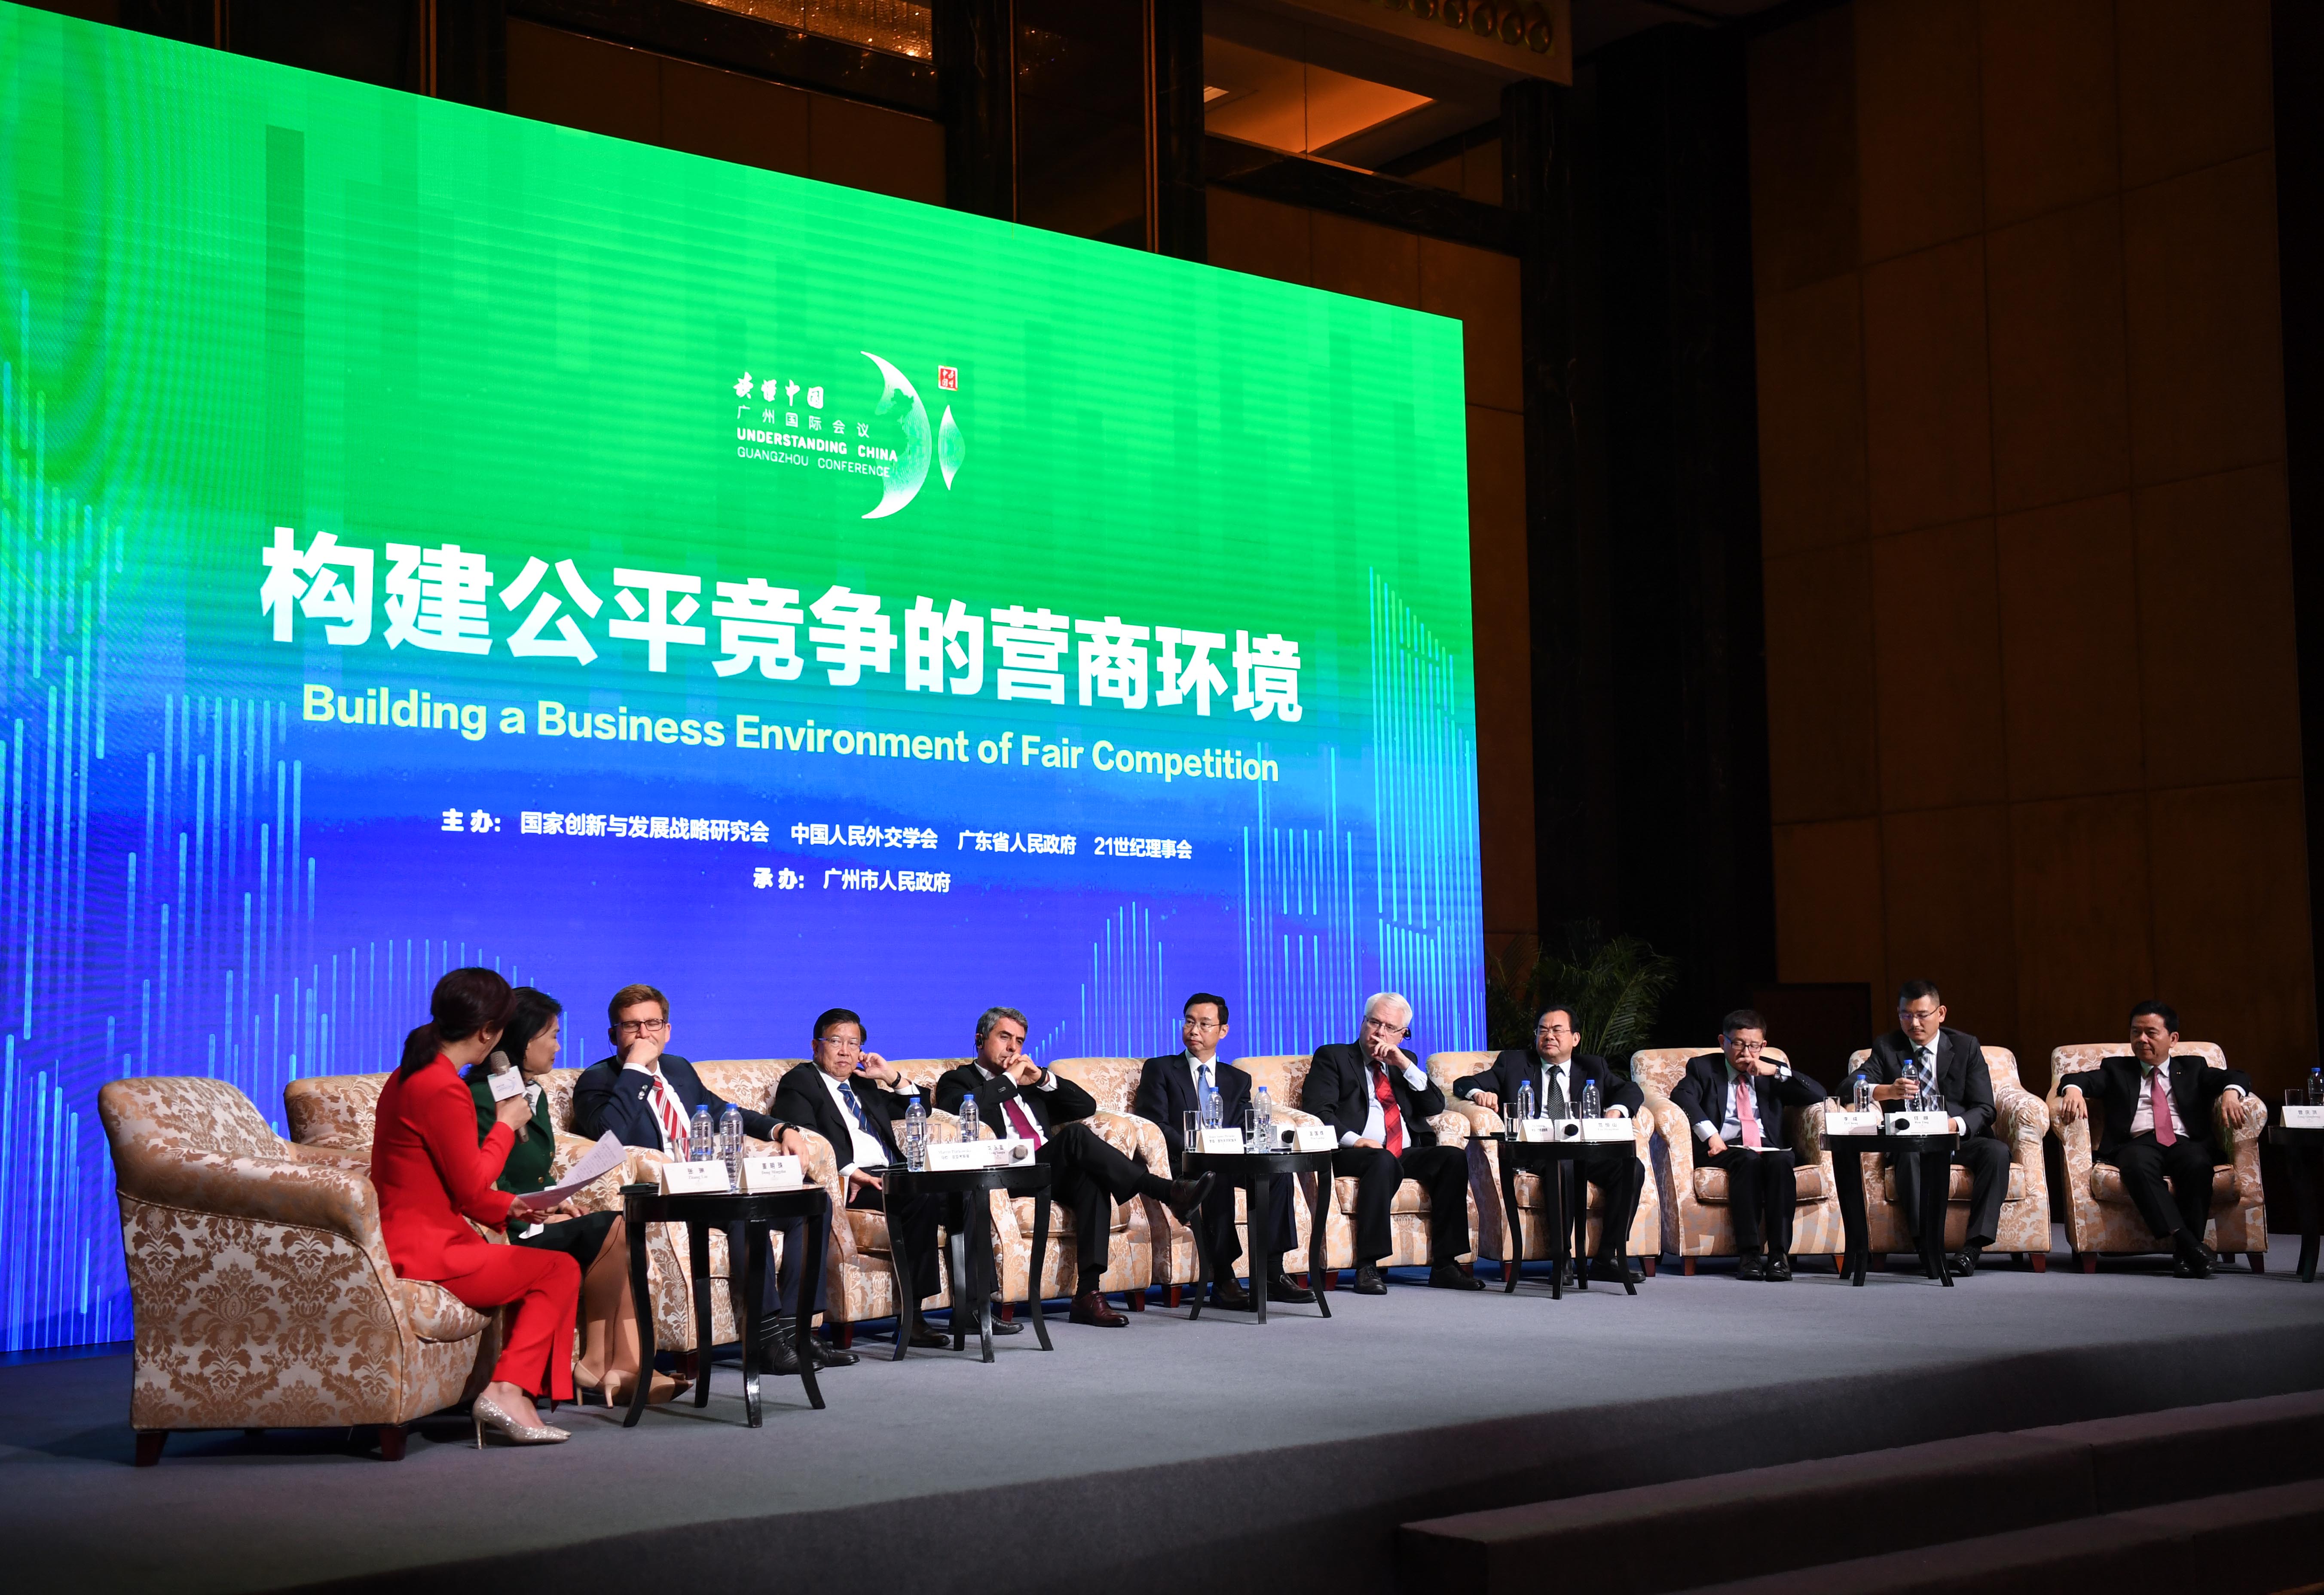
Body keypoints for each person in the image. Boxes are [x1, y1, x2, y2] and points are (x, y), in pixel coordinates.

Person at [572, 983, 851, 1373]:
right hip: (664, 1196)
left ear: (668, 1030)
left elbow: (724, 1111)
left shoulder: (678, 1069)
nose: (644, 1034)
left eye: (653, 1024)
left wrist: (782, 1129)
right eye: (631, 1026)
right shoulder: (598, 1081)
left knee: (811, 1206)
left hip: (708, 1184)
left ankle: (797, 1332)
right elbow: (609, 1134)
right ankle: (766, 1340)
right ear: (613, 1034)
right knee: (746, 1214)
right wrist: (635, 1069)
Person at [372, 967, 578, 1446]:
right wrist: (504, 1125)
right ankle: (508, 1391)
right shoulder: (441, 1087)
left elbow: (444, 1179)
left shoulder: (411, 1074)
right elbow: (471, 1185)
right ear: (487, 1032)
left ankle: (515, 1389)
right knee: (558, 1270)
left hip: (421, 1236)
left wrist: (513, 1204)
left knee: (549, 1267)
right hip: (425, 1250)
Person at [463, 986, 683, 1405]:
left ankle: (612, 1364)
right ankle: (614, 1364)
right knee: (614, 1227)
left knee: (616, 1232)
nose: (558, 1047)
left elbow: (532, 1171)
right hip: (502, 1228)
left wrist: (556, 1198)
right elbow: (483, 1180)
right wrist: (534, 1210)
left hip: (533, 1216)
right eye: (551, 1036)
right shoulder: (480, 1098)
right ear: (522, 1041)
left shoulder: (534, 1093)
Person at [933, 1007, 1213, 1328]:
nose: (1013, 1048)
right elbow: (962, 1109)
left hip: (1045, 1169)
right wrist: (1009, 1081)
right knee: (1076, 1136)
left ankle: (1088, 1294)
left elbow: (1086, 1106)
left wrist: (1042, 1079)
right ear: (981, 1040)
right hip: (1005, 1172)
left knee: (1091, 1179)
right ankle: (1167, 1191)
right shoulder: (959, 1080)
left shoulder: (1030, 1082)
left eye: (1020, 1041)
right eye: (1005, 1037)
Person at [769, 1008, 948, 1349]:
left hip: (893, 1172)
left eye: (854, 1044)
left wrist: (891, 1077)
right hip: (852, 1182)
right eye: (836, 1041)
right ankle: (914, 1319)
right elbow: (805, 1135)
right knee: (920, 1199)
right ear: (816, 1046)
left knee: (966, 1195)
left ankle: (975, 1307)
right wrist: (851, 1172)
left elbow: (919, 1109)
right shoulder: (801, 1081)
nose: (845, 1051)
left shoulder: (862, 1084)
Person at [1132, 993, 1313, 1309]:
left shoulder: (1237, 1079)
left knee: (1276, 1174)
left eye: (1204, 1024)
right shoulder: (1161, 1069)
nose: (1194, 1031)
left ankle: (1272, 1272)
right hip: (1184, 1163)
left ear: (1223, 1031)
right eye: (1189, 1022)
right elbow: (1156, 1123)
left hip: (1227, 1159)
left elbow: (1245, 1125)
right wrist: (1200, 1149)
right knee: (1216, 1175)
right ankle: (1224, 1278)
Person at [1299, 992, 1483, 1295]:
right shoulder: (1333, 1057)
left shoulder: (1404, 1062)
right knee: (1381, 1159)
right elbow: (1319, 1112)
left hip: (1403, 1151)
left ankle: (1446, 1265)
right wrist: (1357, 1141)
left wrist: (1404, 1065)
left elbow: (1434, 1107)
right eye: (1374, 1023)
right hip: (1351, 1152)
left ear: (1402, 1034)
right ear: (1363, 1022)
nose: (1379, 1033)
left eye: (1389, 1028)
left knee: (1452, 1158)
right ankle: (1368, 1265)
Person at [2055, 1001, 2254, 1277]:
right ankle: (2190, 1245)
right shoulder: (2117, 1069)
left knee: (2198, 1164)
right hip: (2137, 1143)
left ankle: (2186, 1254)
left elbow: (2238, 1076)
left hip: (2184, 1142)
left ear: (2173, 1039)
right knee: (2136, 1166)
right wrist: (2073, 1090)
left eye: (2151, 1033)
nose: (2142, 1040)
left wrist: (2231, 1093)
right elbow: (2078, 1079)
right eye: (2136, 1032)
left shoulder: (2193, 1067)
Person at [1453, 1001, 1644, 1286]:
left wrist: (1616, 1110)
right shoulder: (1514, 1063)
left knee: (1632, 1168)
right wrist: (1479, 1094)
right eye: (1543, 1030)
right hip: (1536, 1151)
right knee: (1561, 1165)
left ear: (1575, 1038)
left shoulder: (1593, 1067)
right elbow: (1463, 1083)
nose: (1549, 1036)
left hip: (1582, 1149)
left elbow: (1631, 1090)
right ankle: (1561, 1257)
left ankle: (1607, 1257)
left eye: (1557, 1030)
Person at [1860, 980, 2010, 1277]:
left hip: (1955, 1137)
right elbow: (1852, 1084)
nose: (1914, 1023)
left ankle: (1972, 1249)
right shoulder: (1888, 1047)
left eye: (1922, 1015)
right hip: (1911, 1140)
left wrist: (1952, 1125)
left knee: (1997, 1152)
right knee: (1908, 1155)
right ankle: (1927, 1247)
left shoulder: (1966, 1046)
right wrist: (1887, 1091)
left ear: (1940, 1013)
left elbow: (1985, 1108)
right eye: (1906, 1015)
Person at [1671, 1010, 1826, 1281]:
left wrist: (1775, 1071)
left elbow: (1818, 1094)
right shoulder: (1704, 1068)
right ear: (1723, 1042)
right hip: (1725, 1147)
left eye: (1754, 1046)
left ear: (1763, 1045)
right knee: (1748, 1161)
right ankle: (1749, 1255)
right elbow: (1682, 1095)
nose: (1746, 1053)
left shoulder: (1770, 1071)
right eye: (1739, 1044)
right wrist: (1710, 1135)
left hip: (1768, 1147)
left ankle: (1779, 1256)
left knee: (1781, 1162)